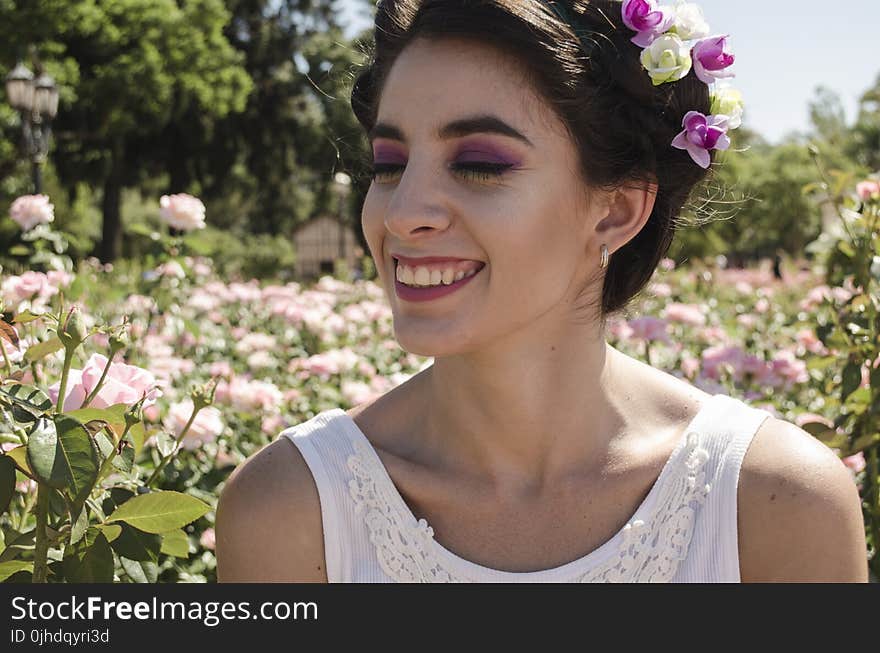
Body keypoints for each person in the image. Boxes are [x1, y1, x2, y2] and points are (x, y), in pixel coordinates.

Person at [215, 0, 867, 582]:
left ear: (615, 211)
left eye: (479, 164)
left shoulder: (776, 503)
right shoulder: (288, 507)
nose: (401, 211)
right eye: (389, 164)